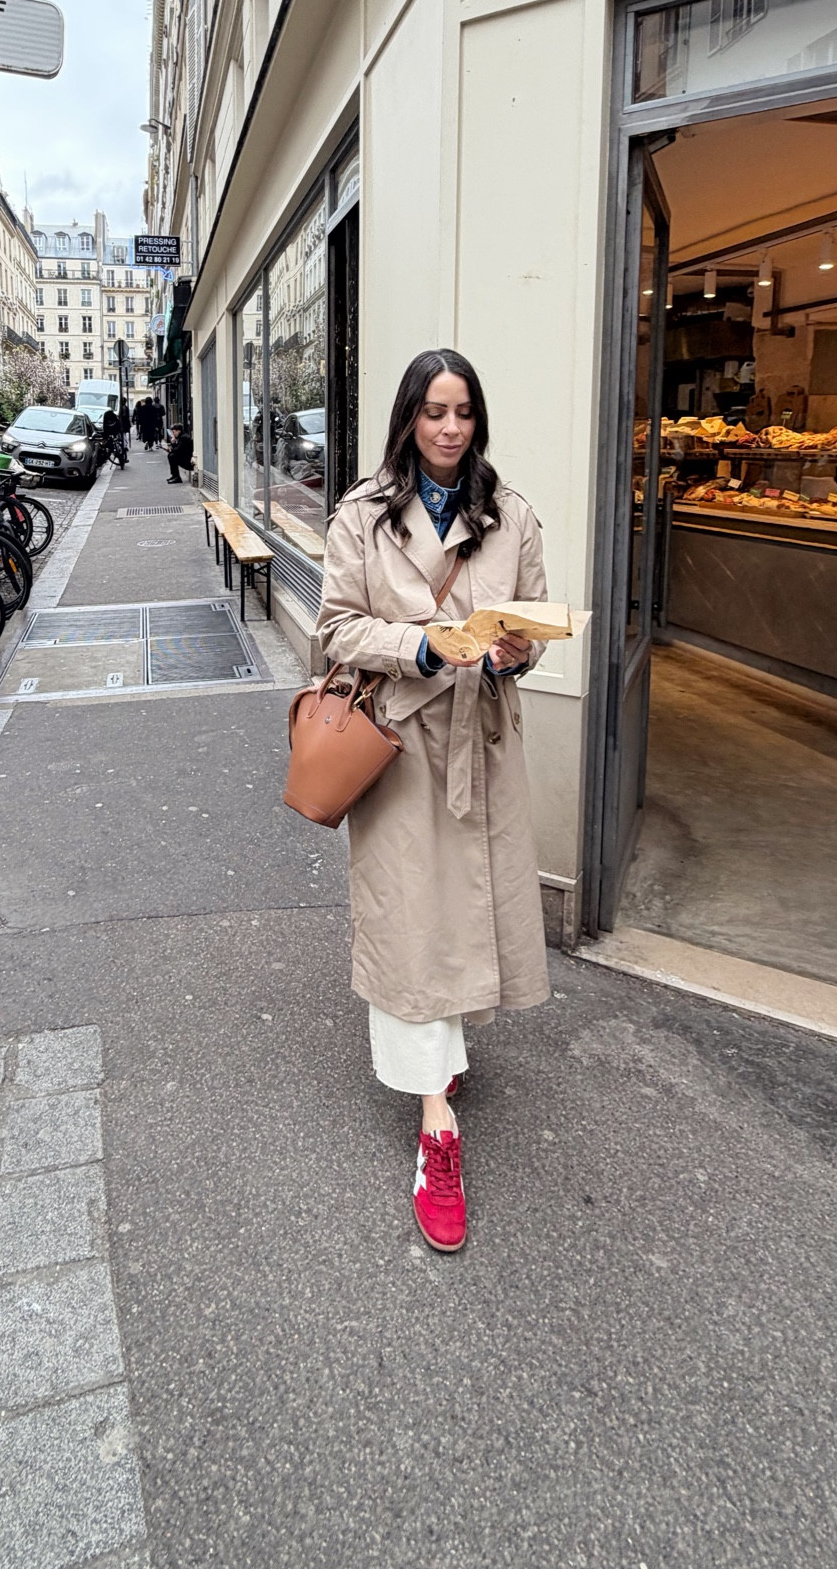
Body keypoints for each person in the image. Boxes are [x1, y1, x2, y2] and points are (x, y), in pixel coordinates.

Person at [314, 349, 548, 1254]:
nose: (449, 429)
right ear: (409, 418)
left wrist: (512, 652)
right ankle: (435, 1129)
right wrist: (421, 646)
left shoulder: (513, 514)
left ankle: (442, 1061)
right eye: (433, 412)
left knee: (467, 909)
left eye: (463, 413)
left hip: (481, 742)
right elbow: (334, 627)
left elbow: (530, 620)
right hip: (400, 747)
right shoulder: (362, 517)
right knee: (413, 923)